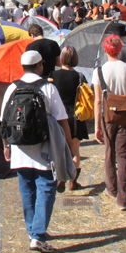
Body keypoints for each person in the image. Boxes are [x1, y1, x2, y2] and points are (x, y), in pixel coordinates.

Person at [0, 51, 73, 253]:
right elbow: (62, 119)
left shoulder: (12, 88)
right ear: (39, 66)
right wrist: (69, 146)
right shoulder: (48, 88)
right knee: (46, 188)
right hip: (44, 149)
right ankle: (38, 235)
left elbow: (3, 122)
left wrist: (6, 146)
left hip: (19, 149)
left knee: (27, 190)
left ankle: (33, 231)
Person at [92, 35, 126, 211]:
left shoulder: (98, 72)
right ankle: (123, 198)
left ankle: (111, 189)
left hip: (107, 117)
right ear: (120, 49)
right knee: (123, 156)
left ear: (105, 50)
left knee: (109, 153)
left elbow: (98, 101)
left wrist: (97, 125)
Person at [49, 47, 87, 189]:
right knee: (75, 150)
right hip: (75, 117)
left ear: (62, 58)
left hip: (58, 117)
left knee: (59, 150)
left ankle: (61, 178)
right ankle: (73, 181)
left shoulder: (53, 75)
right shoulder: (80, 76)